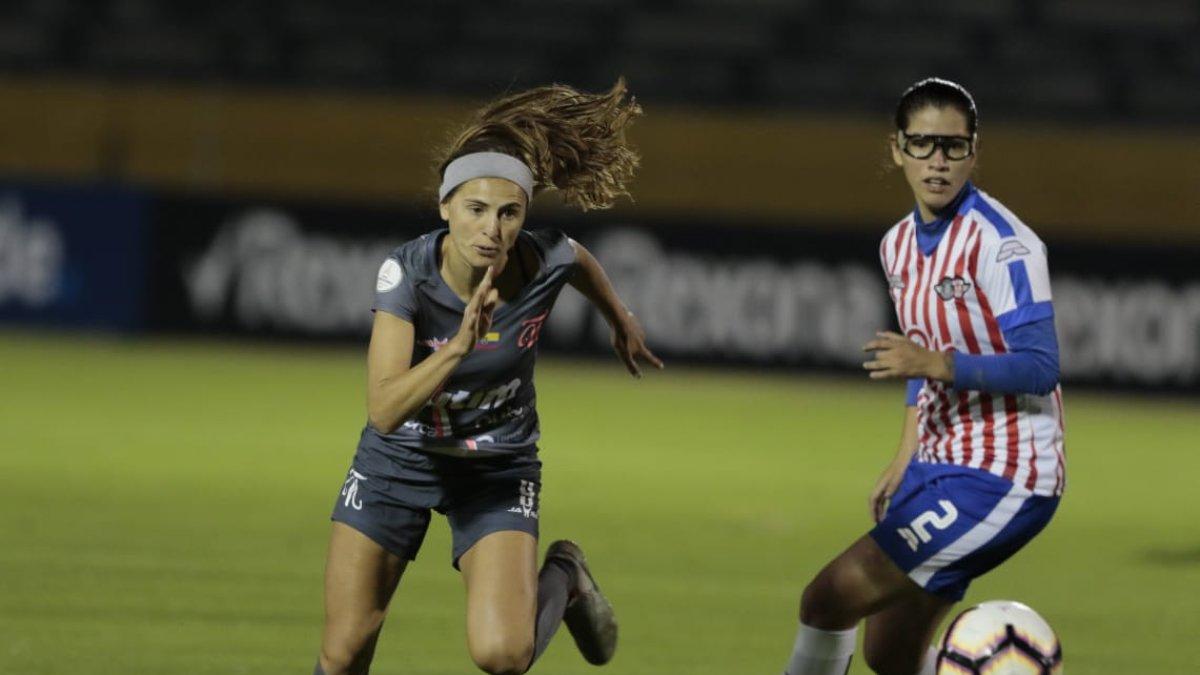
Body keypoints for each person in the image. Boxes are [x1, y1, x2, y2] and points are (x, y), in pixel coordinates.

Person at [314, 79, 663, 675]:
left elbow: (577, 257)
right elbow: (384, 410)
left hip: (496, 466)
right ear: (445, 206)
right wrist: (457, 349)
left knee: (502, 654)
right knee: (344, 651)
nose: (492, 229)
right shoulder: (407, 275)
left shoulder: (541, 258)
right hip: (398, 461)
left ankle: (566, 577)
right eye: (475, 209)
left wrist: (619, 316)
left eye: (509, 213)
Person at [781, 78, 1065, 675]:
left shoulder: (1005, 244)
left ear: (974, 152)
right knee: (890, 655)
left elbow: (1041, 367)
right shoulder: (897, 245)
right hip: (937, 464)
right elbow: (920, 354)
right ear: (897, 149)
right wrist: (907, 451)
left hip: (1004, 474)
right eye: (923, 144)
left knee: (827, 599)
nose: (938, 160)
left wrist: (939, 364)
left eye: (953, 146)